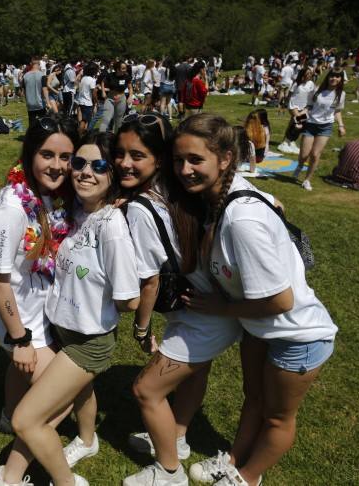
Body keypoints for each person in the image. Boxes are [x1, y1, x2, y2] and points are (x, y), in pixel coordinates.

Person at [168, 114, 337, 486]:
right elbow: (275, 207)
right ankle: (232, 459)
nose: (184, 170)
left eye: (196, 160)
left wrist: (221, 308)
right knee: (254, 399)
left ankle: (247, 477)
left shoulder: (242, 220)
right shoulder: (226, 196)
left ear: (225, 158)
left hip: (297, 335)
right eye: (178, 160)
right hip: (258, 327)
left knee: (278, 417)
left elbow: (281, 300)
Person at [120, 114, 241, 486]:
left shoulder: (141, 208)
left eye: (137, 155)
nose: (124, 163)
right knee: (196, 373)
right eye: (120, 153)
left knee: (146, 389)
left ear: (158, 158)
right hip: (210, 303)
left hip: (202, 314)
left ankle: (169, 472)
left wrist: (141, 329)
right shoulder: (180, 191)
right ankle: (178, 438)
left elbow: (150, 281)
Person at [12, 132, 140, 486]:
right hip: (64, 330)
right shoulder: (77, 211)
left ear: (112, 174)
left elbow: (129, 299)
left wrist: (97, 299)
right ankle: (87, 439)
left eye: (99, 166)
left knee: (26, 419)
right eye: (79, 163)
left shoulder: (111, 226)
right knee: (82, 390)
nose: (85, 172)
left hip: (89, 340)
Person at [0, 115, 86, 486]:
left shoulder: (50, 195)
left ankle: (11, 414)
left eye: (66, 157)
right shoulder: (10, 210)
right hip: (19, 320)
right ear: (29, 154)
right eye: (47, 155)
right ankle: (9, 477)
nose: (58, 166)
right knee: (60, 402)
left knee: (22, 374)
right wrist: (21, 340)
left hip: (37, 310)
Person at [293, 69, 346, 191]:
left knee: (315, 154)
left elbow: (337, 111)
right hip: (311, 124)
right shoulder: (317, 90)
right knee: (304, 154)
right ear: (328, 77)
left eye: (338, 77)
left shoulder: (341, 94)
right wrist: (298, 121)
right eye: (332, 76)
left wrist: (341, 125)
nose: (334, 79)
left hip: (326, 127)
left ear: (341, 79)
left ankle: (307, 180)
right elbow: (308, 106)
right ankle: (300, 165)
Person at [23, 58, 46, 128]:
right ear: (38, 65)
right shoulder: (42, 75)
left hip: (30, 103)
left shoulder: (25, 75)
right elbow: (44, 90)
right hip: (40, 103)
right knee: (42, 122)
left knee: (32, 122)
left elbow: (23, 90)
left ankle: (31, 136)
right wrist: (47, 102)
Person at [75, 63, 98, 134]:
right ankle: (79, 135)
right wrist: (96, 102)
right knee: (85, 121)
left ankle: (82, 134)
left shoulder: (83, 78)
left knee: (82, 121)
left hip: (80, 102)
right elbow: (93, 93)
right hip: (87, 103)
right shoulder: (92, 80)